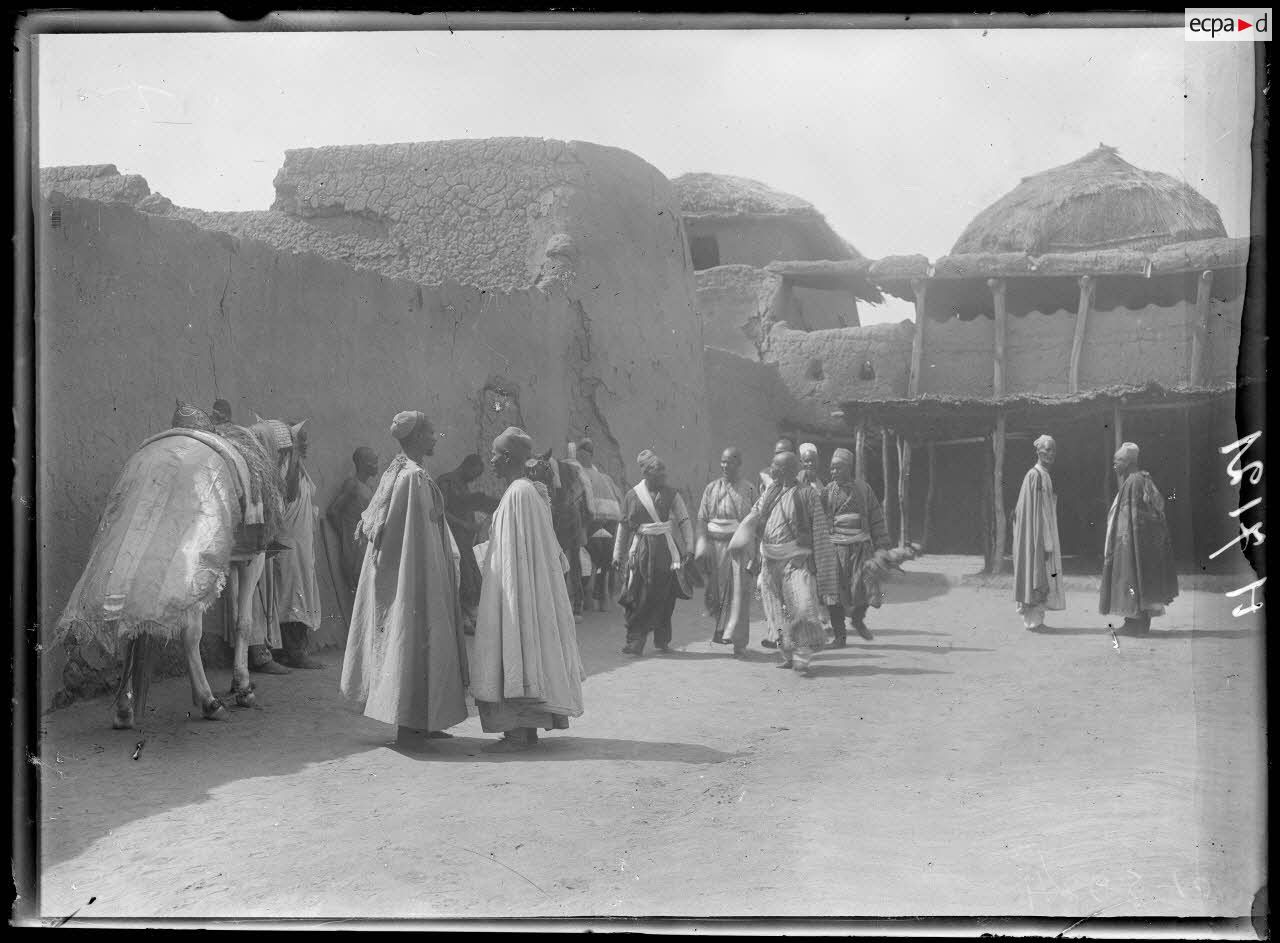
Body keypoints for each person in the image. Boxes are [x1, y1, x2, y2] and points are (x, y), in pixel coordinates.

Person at [339, 411, 468, 746]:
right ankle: (409, 726)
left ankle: (423, 721)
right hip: (412, 575)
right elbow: (406, 534)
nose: (435, 437)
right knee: (412, 641)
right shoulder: (411, 477)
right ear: (416, 438)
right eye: (431, 432)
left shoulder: (401, 473)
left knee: (421, 641)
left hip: (417, 570)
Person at [472, 427, 585, 753]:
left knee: (516, 649)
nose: (491, 461)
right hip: (522, 590)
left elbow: (515, 557)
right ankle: (527, 730)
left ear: (507, 458)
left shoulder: (519, 494)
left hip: (516, 593)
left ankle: (518, 733)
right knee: (525, 650)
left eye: (494, 454)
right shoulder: (525, 493)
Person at [750, 451, 840, 676]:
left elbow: (819, 530)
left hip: (795, 561)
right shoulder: (770, 492)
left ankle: (803, 655)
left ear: (788, 469)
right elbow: (755, 517)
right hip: (770, 563)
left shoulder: (807, 494)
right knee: (775, 612)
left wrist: (817, 563)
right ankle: (788, 655)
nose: (771, 469)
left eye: (776, 466)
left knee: (801, 608)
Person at [613, 449, 695, 656]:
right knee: (637, 595)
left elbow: (684, 520)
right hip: (641, 552)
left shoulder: (671, 494)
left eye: (664, 471)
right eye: (659, 472)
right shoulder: (632, 496)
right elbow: (623, 527)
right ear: (647, 474)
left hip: (667, 553)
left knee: (666, 597)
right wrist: (617, 554)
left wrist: (689, 547)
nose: (664, 475)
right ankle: (635, 640)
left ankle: (662, 639)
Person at [1100, 441, 1179, 634]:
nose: (1115, 465)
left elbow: (1129, 519)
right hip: (1145, 544)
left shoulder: (1133, 482)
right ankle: (1140, 623)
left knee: (1132, 576)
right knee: (1142, 579)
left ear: (1127, 462)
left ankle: (1133, 623)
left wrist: (1121, 544)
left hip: (1132, 543)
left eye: (1117, 461)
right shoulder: (1142, 479)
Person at [823, 447, 890, 645]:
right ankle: (839, 636)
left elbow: (876, 518)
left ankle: (858, 619)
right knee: (834, 594)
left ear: (849, 468)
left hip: (860, 548)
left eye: (838, 468)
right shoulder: (827, 491)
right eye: (832, 468)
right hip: (835, 550)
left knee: (865, 588)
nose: (834, 472)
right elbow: (818, 520)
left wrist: (882, 545)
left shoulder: (863, 489)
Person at [695, 446, 758, 656]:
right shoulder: (711, 488)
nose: (724, 465)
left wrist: (754, 552)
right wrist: (702, 541)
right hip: (716, 548)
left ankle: (739, 642)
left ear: (738, 463)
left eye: (729, 461)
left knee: (740, 594)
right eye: (722, 461)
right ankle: (723, 632)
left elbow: (755, 522)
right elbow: (702, 518)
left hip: (739, 549)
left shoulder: (749, 489)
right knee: (717, 595)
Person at [273, 419, 325, 668]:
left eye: (305, 439)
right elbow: (289, 494)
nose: (306, 444)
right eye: (299, 439)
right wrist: (292, 456)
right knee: (293, 595)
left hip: (302, 543)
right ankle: (294, 652)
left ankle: (292, 650)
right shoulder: (285, 466)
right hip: (289, 542)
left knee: (298, 592)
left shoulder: (298, 467)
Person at [436, 454, 497, 636]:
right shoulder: (446, 482)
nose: (474, 479)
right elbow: (441, 511)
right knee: (461, 575)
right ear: (467, 466)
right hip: (453, 539)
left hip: (465, 540)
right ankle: (463, 617)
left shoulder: (463, 486)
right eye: (475, 474)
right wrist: (465, 524)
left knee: (470, 574)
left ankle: (468, 616)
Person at [1012, 434, 1065, 631]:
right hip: (1037, 535)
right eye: (1046, 449)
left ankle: (1037, 620)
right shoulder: (1034, 476)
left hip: (1043, 533)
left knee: (1043, 575)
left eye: (1053, 450)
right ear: (1038, 451)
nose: (1050, 453)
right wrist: (1044, 541)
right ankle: (1033, 622)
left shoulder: (1043, 475)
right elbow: (1036, 513)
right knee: (1037, 574)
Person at [567, 438, 624, 613]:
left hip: (592, 520)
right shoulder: (604, 477)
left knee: (584, 556)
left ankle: (587, 598)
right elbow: (619, 497)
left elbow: (575, 499)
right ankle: (603, 598)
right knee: (603, 562)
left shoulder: (578, 473)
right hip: (612, 520)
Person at [326, 447, 380, 594]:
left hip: (368, 543)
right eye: (373, 462)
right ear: (362, 463)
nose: (377, 466)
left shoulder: (369, 487)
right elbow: (333, 511)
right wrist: (345, 534)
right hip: (355, 546)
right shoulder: (352, 484)